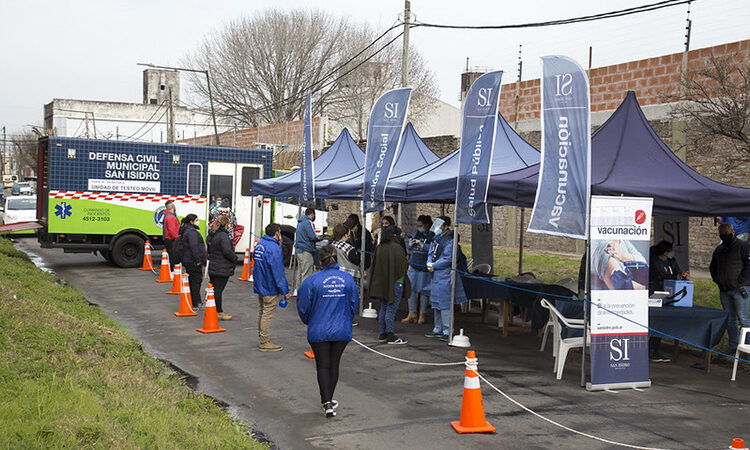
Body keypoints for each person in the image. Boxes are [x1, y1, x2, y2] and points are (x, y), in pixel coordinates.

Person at [296, 245, 359, 418]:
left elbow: (303, 305)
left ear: (319, 261)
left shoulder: (312, 280)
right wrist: (347, 317)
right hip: (341, 329)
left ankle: (327, 402)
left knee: (323, 365)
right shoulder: (347, 279)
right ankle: (329, 400)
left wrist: (308, 319)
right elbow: (354, 303)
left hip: (318, 329)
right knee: (334, 364)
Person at [425, 216, 468, 342]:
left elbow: (448, 258)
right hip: (435, 276)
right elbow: (430, 252)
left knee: (444, 305)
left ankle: (447, 330)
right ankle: (437, 328)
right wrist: (429, 262)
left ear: (446, 226)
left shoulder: (450, 241)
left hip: (445, 275)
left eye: (440, 225)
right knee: (436, 303)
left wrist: (434, 265)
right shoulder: (436, 239)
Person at [710, 222, 750, 352]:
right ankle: (733, 346)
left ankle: (747, 346)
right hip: (725, 289)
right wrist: (718, 280)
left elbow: (749, 266)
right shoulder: (719, 249)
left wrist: (740, 281)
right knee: (730, 319)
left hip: (740, 289)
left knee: (743, 319)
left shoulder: (743, 246)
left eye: (725, 235)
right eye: (722, 235)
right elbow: (713, 266)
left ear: (733, 233)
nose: (724, 237)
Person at [648, 240, 690, 362]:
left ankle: (654, 348)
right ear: (665, 252)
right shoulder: (655, 261)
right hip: (657, 294)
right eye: (670, 250)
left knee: (663, 322)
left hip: (671, 295)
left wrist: (683, 275)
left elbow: (677, 272)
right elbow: (660, 275)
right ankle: (652, 350)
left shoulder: (672, 262)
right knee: (656, 321)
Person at [369, 225, 411, 344]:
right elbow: (403, 266)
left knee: (383, 308)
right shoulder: (397, 248)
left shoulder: (380, 247)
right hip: (396, 282)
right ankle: (390, 334)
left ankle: (382, 333)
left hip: (383, 282)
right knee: (391, 309)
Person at [253, 223, 291, 352]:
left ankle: (262, 337)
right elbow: (278, 272)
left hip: (260, 283)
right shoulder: (273, 248)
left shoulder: (260, 244)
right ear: (277, 233)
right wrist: (285, 290)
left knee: (262, 311)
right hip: (269, 285)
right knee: (267, 313)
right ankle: (264, 341)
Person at [207, 215, 239, 321]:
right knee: (218, 290)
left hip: (213, 265)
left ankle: (213, 309)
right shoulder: (223, 236)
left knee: (214, 290)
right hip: (222, 266)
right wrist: (235, 258)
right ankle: (219, 312)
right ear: (226, 224)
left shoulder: (211, 235)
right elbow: (227, 251)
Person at [402, 215, 433, 325]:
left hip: (424, 267)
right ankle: (412, 313)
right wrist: (410, 244)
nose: (419, 227)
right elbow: (409, 246)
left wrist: (423, 245)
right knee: (411, 290)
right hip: (414, 265)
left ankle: (422, 314)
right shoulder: (416, 233)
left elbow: (434, 249)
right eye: (418, 225)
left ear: (427, 225)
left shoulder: (432, 235)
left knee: (424, 291)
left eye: (421, 226)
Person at [179, 214, 206, 310]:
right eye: (196, 220)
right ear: (191, 222)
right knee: (196, 281)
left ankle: (193, 300)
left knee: (192, 280)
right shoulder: (192, 232)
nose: (198, 221)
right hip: (192, 260)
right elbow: (194, 246)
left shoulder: (186, 230)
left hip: (187, 259)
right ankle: (196, 302)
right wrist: (198, 259)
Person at [295, 207, 320, 293]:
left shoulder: (300, 222)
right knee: (306, 273)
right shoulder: (308, 222)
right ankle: (305, 293)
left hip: (299, 250)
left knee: (300, 272)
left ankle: (298, 290)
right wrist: (320, 238)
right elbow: (313, 236)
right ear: (312, 214)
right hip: (306, 250)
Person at [162, 201, 179, 270]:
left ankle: (171, 270)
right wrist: (177, 238)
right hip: (172, 239)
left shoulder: (167, 216)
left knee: (171, 255)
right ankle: (172, 271)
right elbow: (172, 230)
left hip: (168, 238)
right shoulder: (171, 217)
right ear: (172, 207)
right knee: (172, 256)